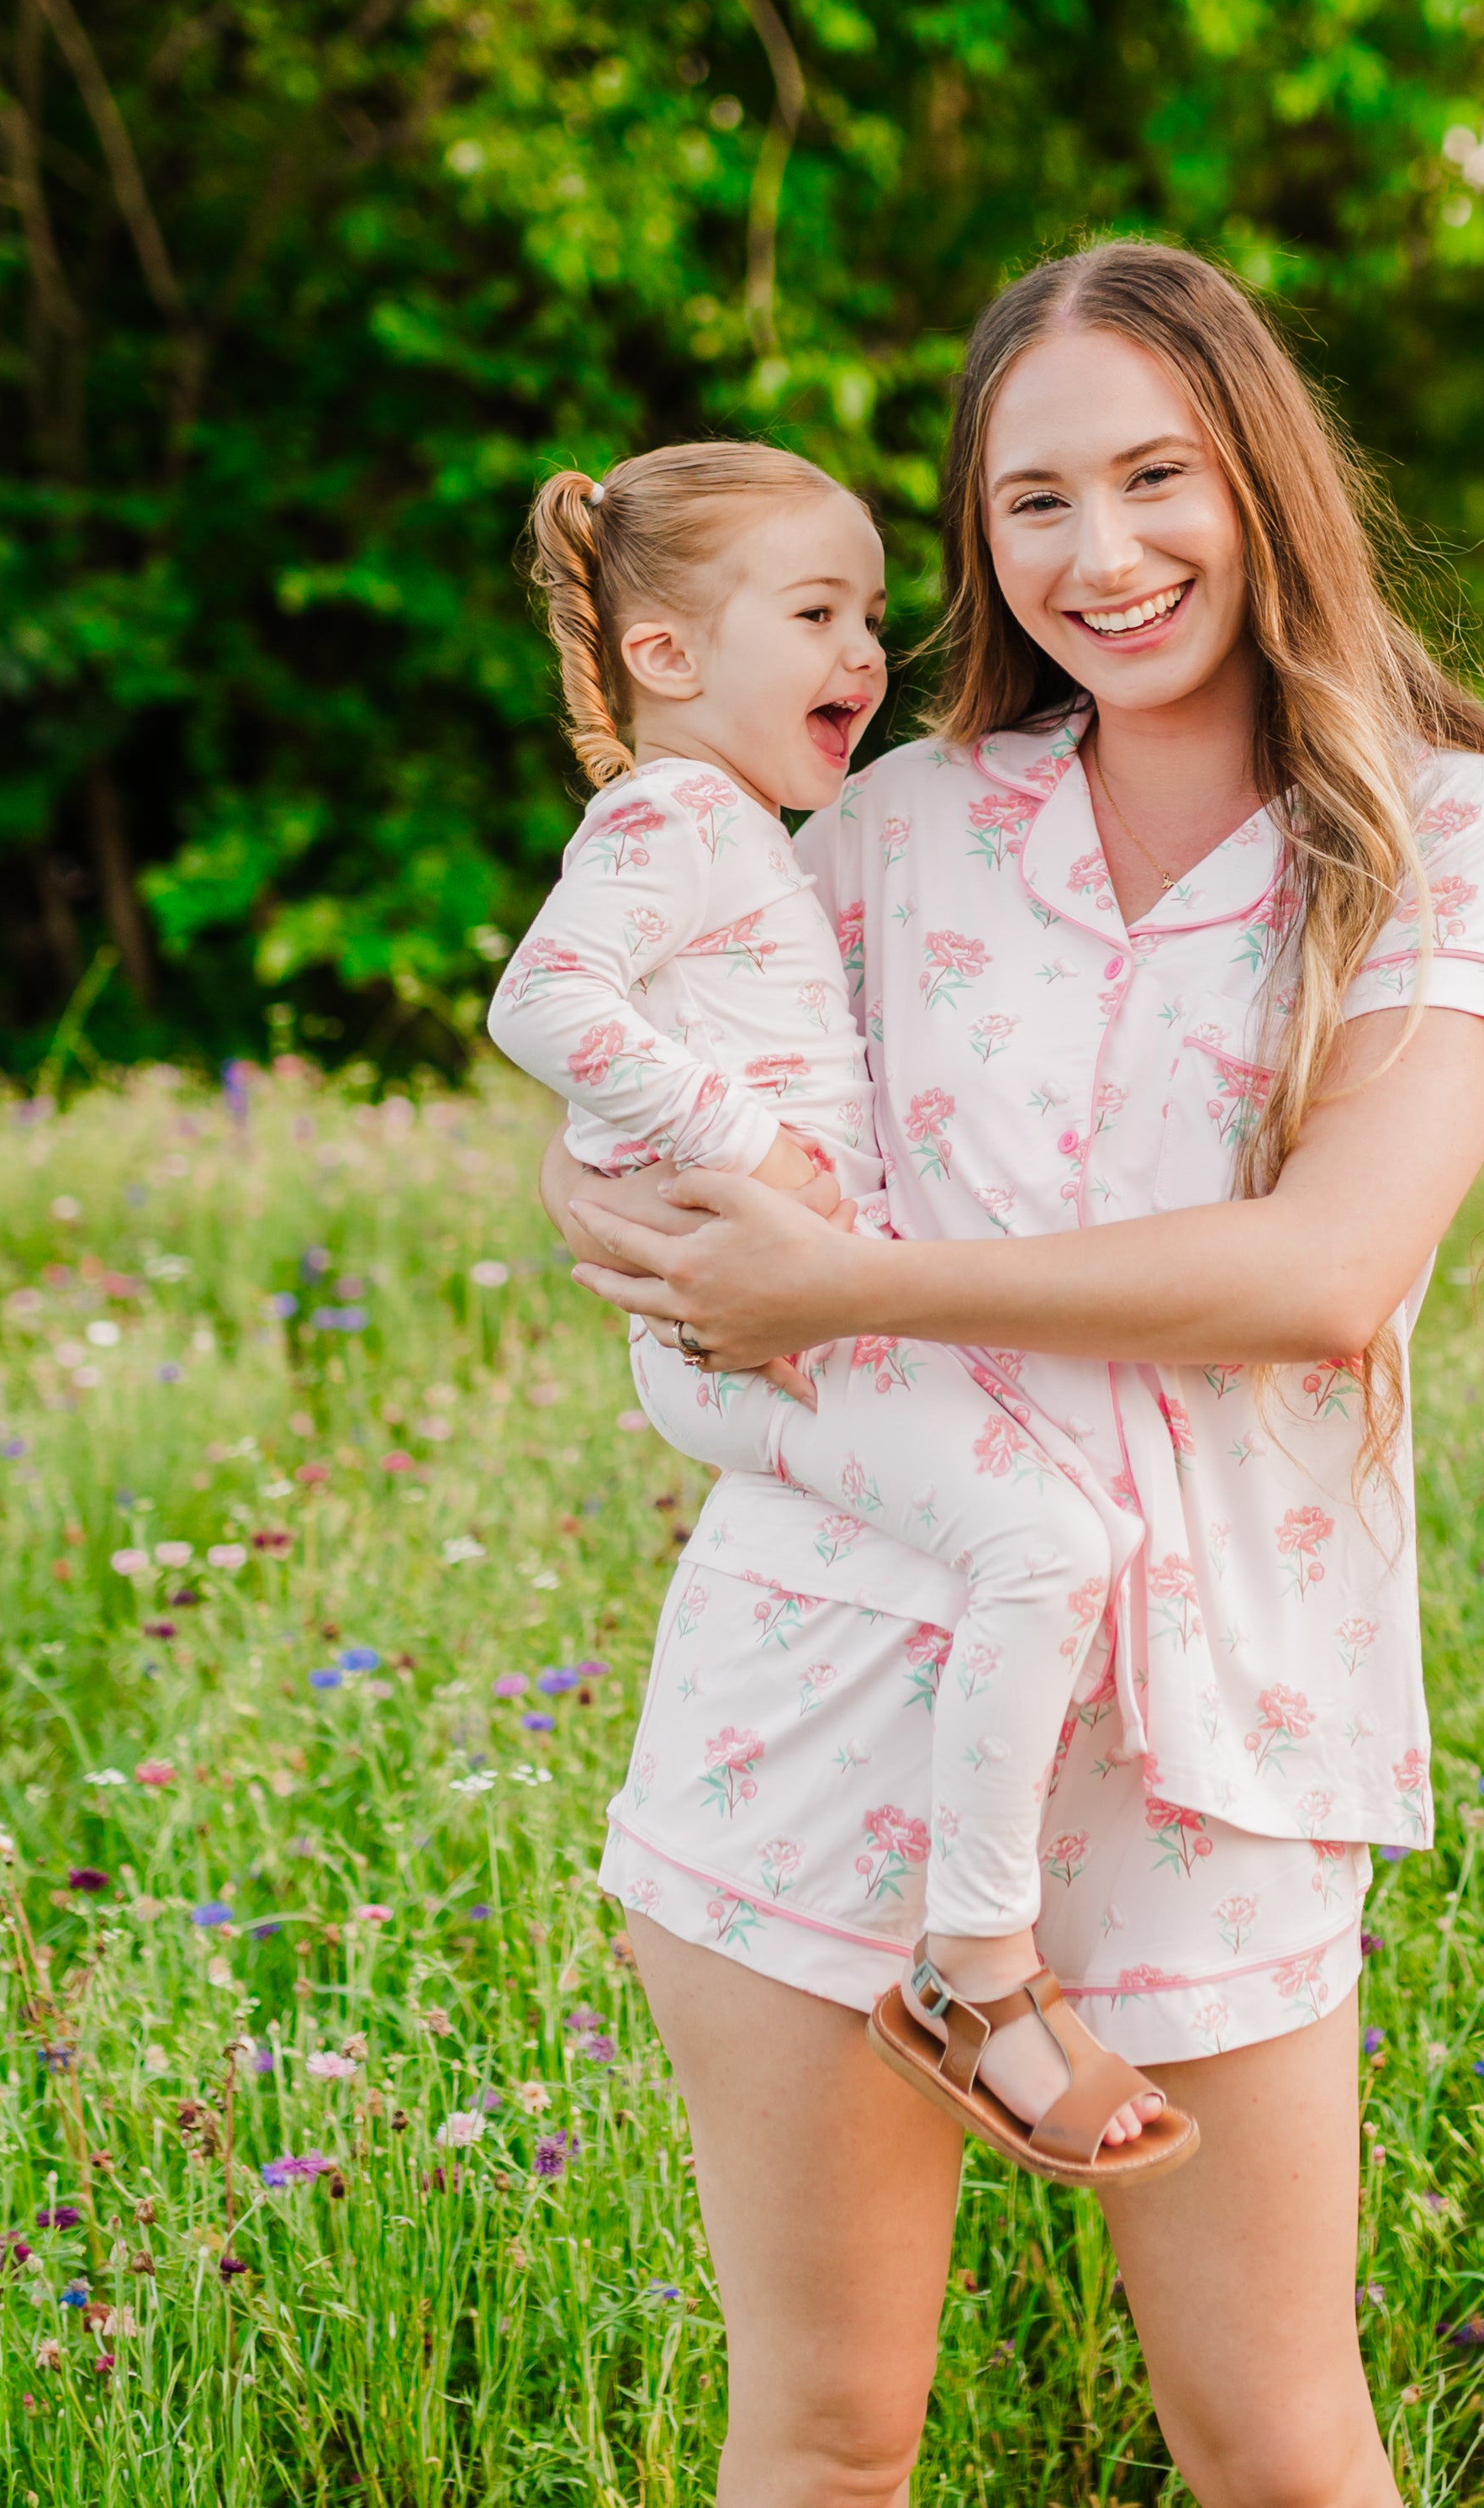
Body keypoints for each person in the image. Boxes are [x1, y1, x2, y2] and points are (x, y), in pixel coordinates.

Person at [543, 240, 1484, 2508]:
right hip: (829, 1691)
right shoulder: (898, 825)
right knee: (827, 2438)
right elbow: (668, 1110)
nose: (1101, 553)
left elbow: (1329, 1272)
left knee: (1281, 2444)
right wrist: (624, 1205)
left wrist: (842, 1283)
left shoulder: (1446, 834)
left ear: (1265, 478)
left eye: (1156, 476)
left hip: (1218, 1734)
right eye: (1036, 501)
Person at [491, 442, 1184, 2177]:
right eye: (814, 614)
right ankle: (978, 1970)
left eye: (870, 613)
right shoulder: (668, 818)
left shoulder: (741, 829)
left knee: (1035, 1539)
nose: (866, 653)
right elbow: (543, 1000)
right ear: (665, 657)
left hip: (783, 1309)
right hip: (756, 1332)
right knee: (1051, 1546)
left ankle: (967, 1936)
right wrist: (741, 1146)